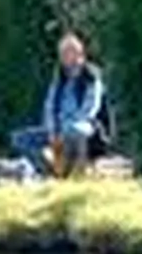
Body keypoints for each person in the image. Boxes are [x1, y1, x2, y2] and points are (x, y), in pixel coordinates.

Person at [11, 34, 109, 178]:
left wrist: (67, 129)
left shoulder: (91, 78)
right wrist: (53, 131)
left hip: (85, 128)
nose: (66, 57)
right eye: (63, 53)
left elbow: (90, 109)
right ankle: (49, 169)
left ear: (79, 54)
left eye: (69, 52)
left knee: (76, 131)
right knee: (19, 139)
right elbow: (49, 107)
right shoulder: (59, 79)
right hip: (58, 129)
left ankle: (76, 171)